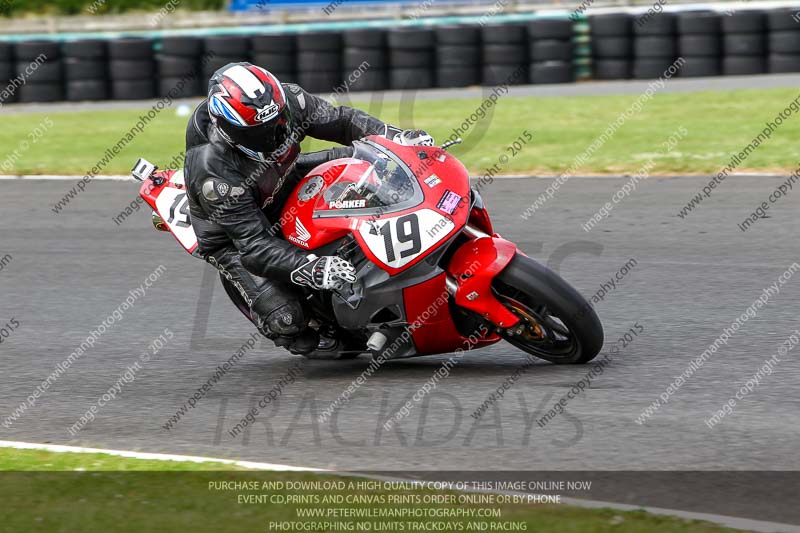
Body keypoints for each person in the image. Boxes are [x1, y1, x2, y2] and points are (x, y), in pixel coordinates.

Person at [183, 62, 433, 354]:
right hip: (236, 236)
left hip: (284, 175)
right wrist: (312, 266)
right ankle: (317, 325)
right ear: (228, 129)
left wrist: (394, 137)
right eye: (259, 132)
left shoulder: (290, 101)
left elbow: (342, 121)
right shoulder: (212, 170)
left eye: (278, 121)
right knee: (288, 322)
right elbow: (254, 244)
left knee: (363, 160)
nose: (275, 134)